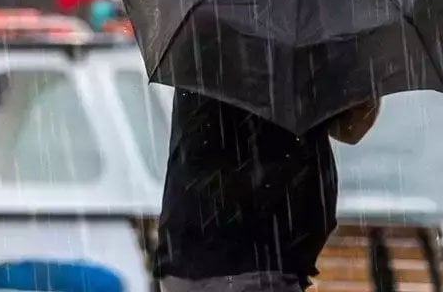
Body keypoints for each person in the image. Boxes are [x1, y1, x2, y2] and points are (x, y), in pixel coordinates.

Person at [156, 90, 381, 292]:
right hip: (257, 259)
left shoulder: (202, 50)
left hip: (187, 248)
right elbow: (351, 128)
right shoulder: (300, 53)